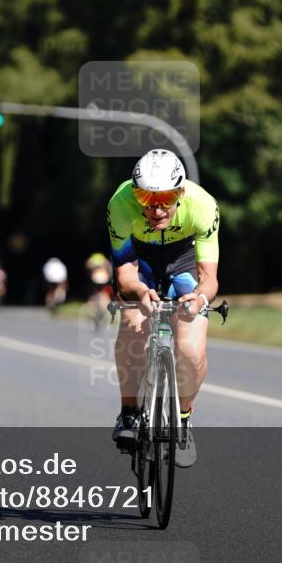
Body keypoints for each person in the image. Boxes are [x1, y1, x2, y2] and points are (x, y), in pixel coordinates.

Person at [107, 149, 220, 468]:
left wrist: (197, 299)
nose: (156, 208)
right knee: (132, 326)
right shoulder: (120, 203)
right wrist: (140, 292)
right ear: (135, 192)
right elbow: (125, 273)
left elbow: (209, 279)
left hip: (184, 265)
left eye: (166, 197)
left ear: (181, 191)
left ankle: (182, 420)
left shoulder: (203, 206)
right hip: (140, 265)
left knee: (190, 349)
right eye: (145, 197)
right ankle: (129, 413)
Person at [85, 252, 113, 328]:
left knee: (93, 295)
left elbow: (87, 266)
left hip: (95, 279)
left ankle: (93, 312)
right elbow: (110, 269)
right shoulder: (104, 260)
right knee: (103, 294)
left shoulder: (92, 260)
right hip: (104, 278)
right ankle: (102, 311)